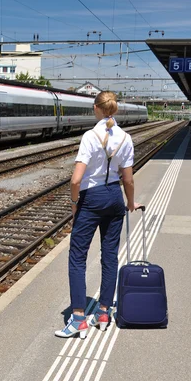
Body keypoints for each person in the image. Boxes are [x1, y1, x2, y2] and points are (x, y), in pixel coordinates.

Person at [55, 91, 142, 339]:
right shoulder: (125, 138)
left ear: (96, 108)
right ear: (114, 109)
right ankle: (104, 312)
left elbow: (76, 180)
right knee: (110, 255)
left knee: (77, 257)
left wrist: (74, 204)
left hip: (91, 199)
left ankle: (79, 318)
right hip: (114, 198)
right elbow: (128, 178)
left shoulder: (89, 137)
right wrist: (131, 203)